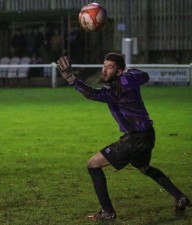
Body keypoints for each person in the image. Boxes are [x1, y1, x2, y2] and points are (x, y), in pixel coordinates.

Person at [57, 53, 190, 220]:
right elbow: (144, 75)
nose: (104, 70)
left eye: (109, 67)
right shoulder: (130, 77)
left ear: (119, 71)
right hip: (147, 134)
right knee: (144, 168)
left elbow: (92, 94)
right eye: (104, 66)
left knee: (93, 164)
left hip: (135, 139)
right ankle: (180, 197)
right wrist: (127, 71)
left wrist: (70, 78)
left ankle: (107, 211)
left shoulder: (116, 88)